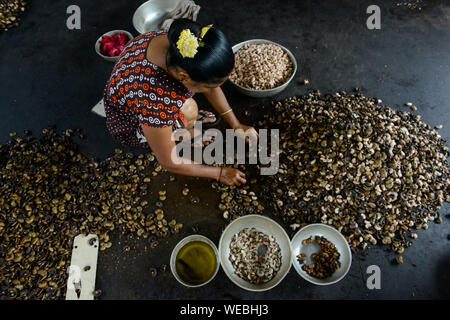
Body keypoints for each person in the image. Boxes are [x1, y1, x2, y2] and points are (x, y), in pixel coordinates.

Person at [103, 19, 258, 186]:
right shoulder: (155, 102)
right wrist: (220, 173)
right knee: (190, 109)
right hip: (131, 126)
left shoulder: (179, 44)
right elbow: (169, 162)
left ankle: (183, 124)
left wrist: (235, 124)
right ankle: (184, 133)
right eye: (210, 85)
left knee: (190, 108)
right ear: (183, 76)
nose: (215, 88)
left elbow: (210, 86)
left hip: (135, 100)